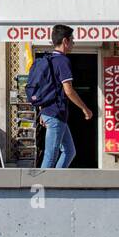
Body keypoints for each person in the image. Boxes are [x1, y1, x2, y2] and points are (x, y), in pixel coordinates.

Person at [36, 25, 92, 169]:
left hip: (53, 113)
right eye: (72, 40)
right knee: (51, 155)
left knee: (69, 151)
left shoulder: (49, 59)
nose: (74, 43)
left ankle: (56, 181)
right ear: (65, 41)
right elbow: (69, 90)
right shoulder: (62, 61)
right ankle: (42, 186)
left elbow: (45, 88)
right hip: (55, 113)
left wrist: (42, 110)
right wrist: (85, 109)